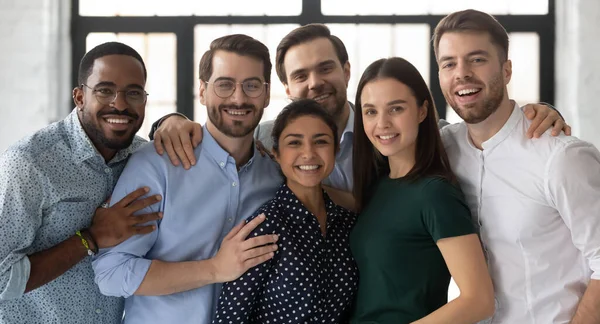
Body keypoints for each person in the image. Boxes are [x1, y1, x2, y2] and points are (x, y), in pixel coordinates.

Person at [148, 24, 570, 191]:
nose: (315, 82)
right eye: (300, 75)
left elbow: (475, 133)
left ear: (347, 70)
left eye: (325, 67)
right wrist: (171, 121)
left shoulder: (402, 131)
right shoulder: (266, 138)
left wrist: (539, 111)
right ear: (285, 86)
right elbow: (221, 133)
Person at [92, 34, 282, 324]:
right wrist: (215, 269)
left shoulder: (275, 176)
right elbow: (111, 273)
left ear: (267, 94)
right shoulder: (156, 165)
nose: (238, 98)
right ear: (203, 91)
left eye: (252, 85)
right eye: (224, 84)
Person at [434, 9, 600, 324]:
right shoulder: (442, 149)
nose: (461, 74)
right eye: (449, 63)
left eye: (477, 59)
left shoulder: (561, 156)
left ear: (506, 70)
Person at [0, 42, 162, 324]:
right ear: (79, 96)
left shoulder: (144, 160)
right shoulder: (30, 162)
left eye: (133, 92)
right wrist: (90, 238)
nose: (120, 104)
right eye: (105, 90)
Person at [348, 57, 494, 324]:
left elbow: (479, 300)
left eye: (396, 109)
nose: (382, 124)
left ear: (422, 110)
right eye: (370, 112)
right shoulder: (377, 186)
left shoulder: (435, 193)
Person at [209, 99, 358, 324]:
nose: (308, 153)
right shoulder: (263, 228)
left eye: (320, 141)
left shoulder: (347, 224)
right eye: (294, 143)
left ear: (336, 151)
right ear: (276, 153)